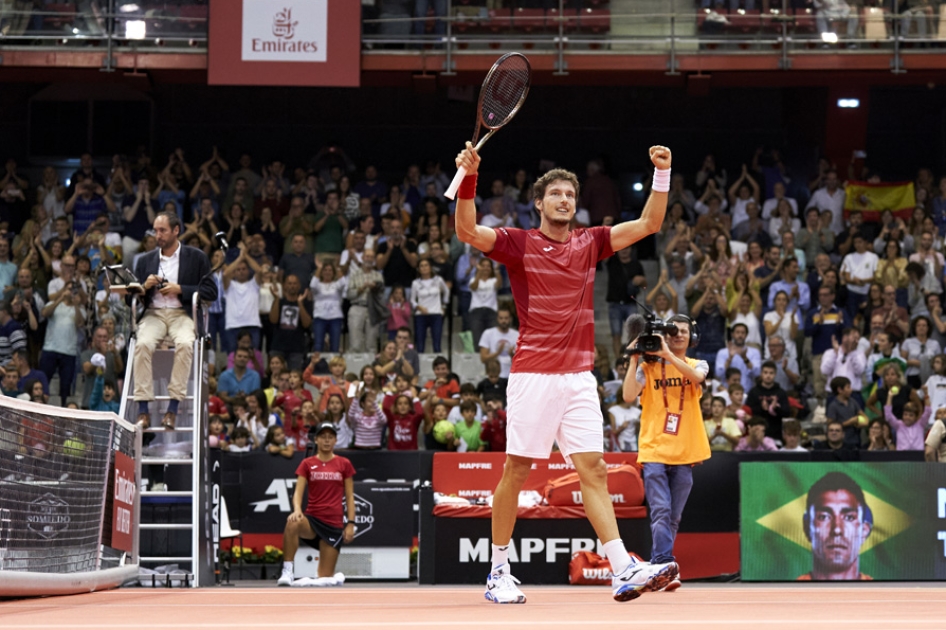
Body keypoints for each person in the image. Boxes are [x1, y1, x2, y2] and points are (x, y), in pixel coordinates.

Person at [454, 141, 674, 603]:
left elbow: (651, 223)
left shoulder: (591, 242)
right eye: (555, 194)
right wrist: (470, 177)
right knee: (516, 470)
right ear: (539, 203)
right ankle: (497, 571)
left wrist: (661, 174)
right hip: (534, 374)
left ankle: (620, 569)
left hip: (579, 378)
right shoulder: (518, 243)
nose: (564, 200)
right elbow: (469, 232)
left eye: (570, 195)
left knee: (593, 468)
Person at [623, 314, 709, 595]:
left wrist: (668, 354)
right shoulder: (648, 368)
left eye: (684, 331)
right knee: (660, 510)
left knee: (673, 517)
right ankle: (664, 562)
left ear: (691, 336)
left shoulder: (697, 364)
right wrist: (635, 356)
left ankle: (662, 570)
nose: (679, 335)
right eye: (674, 332)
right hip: (655, 449)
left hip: (685, 452)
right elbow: (627, 395)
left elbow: (696, 378)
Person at [132, 211, 216, 430]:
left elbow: (211, 291)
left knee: (186, 344)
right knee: (141, 345)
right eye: (156, 230)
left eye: (163, 230)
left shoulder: (196, 257)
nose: (158, 235)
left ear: (176, 230)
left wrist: (181, 289)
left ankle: (173, 408)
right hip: (154, 313)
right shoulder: (145, 260)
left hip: (182, 314)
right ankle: (143, 411)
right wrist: (144, 287)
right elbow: (129, 297)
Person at [277, 422, 356, 587]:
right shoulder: (307, 463)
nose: (327, 440)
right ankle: (287, 571)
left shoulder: (344, 464)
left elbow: (349, 496)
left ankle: (332, 578)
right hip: (312, 521)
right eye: (323, 437)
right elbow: (298, 492)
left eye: (330, 437)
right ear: (316, 440)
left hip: (333, 524)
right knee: (292, 522)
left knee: (324, 580)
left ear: (335, 440)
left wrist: (350, 523)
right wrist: (297, 510)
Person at [798, 472, 873, 581]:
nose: (837, 529)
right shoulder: (784, 596)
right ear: (807, 529)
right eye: (824, 517)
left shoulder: (886, 597)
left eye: (849, 518)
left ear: (864, 531)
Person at [746, 361, 791, 439]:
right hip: (757, 434)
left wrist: (775, 408)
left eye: (771, 373)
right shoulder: (754, 392)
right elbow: (748, 411)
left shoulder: (781, 392)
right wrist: (761, 408)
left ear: (775, 374)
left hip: (776, 434)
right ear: (761, 374)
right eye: (765, 372)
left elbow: (787, 413)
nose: (768, 375)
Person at [826, 376, 863, 448]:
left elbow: (863, 416)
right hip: (842, 443)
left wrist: (861, 422)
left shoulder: (853, 402)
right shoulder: (833, 406)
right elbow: (830, 425)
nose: (851, 390)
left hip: (855, 440)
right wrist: (850, 422)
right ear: (840, 390)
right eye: (848, 387)